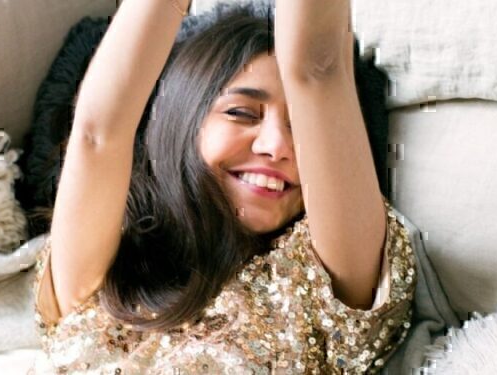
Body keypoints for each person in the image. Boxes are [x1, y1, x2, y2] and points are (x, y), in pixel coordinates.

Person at [31, 0, 417, 373]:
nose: (276, 146)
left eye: (301, 126)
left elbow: (318, 67)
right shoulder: (109, 268)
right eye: (242, 114)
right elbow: (98, 134)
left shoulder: (327, 282)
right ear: (183, 120)